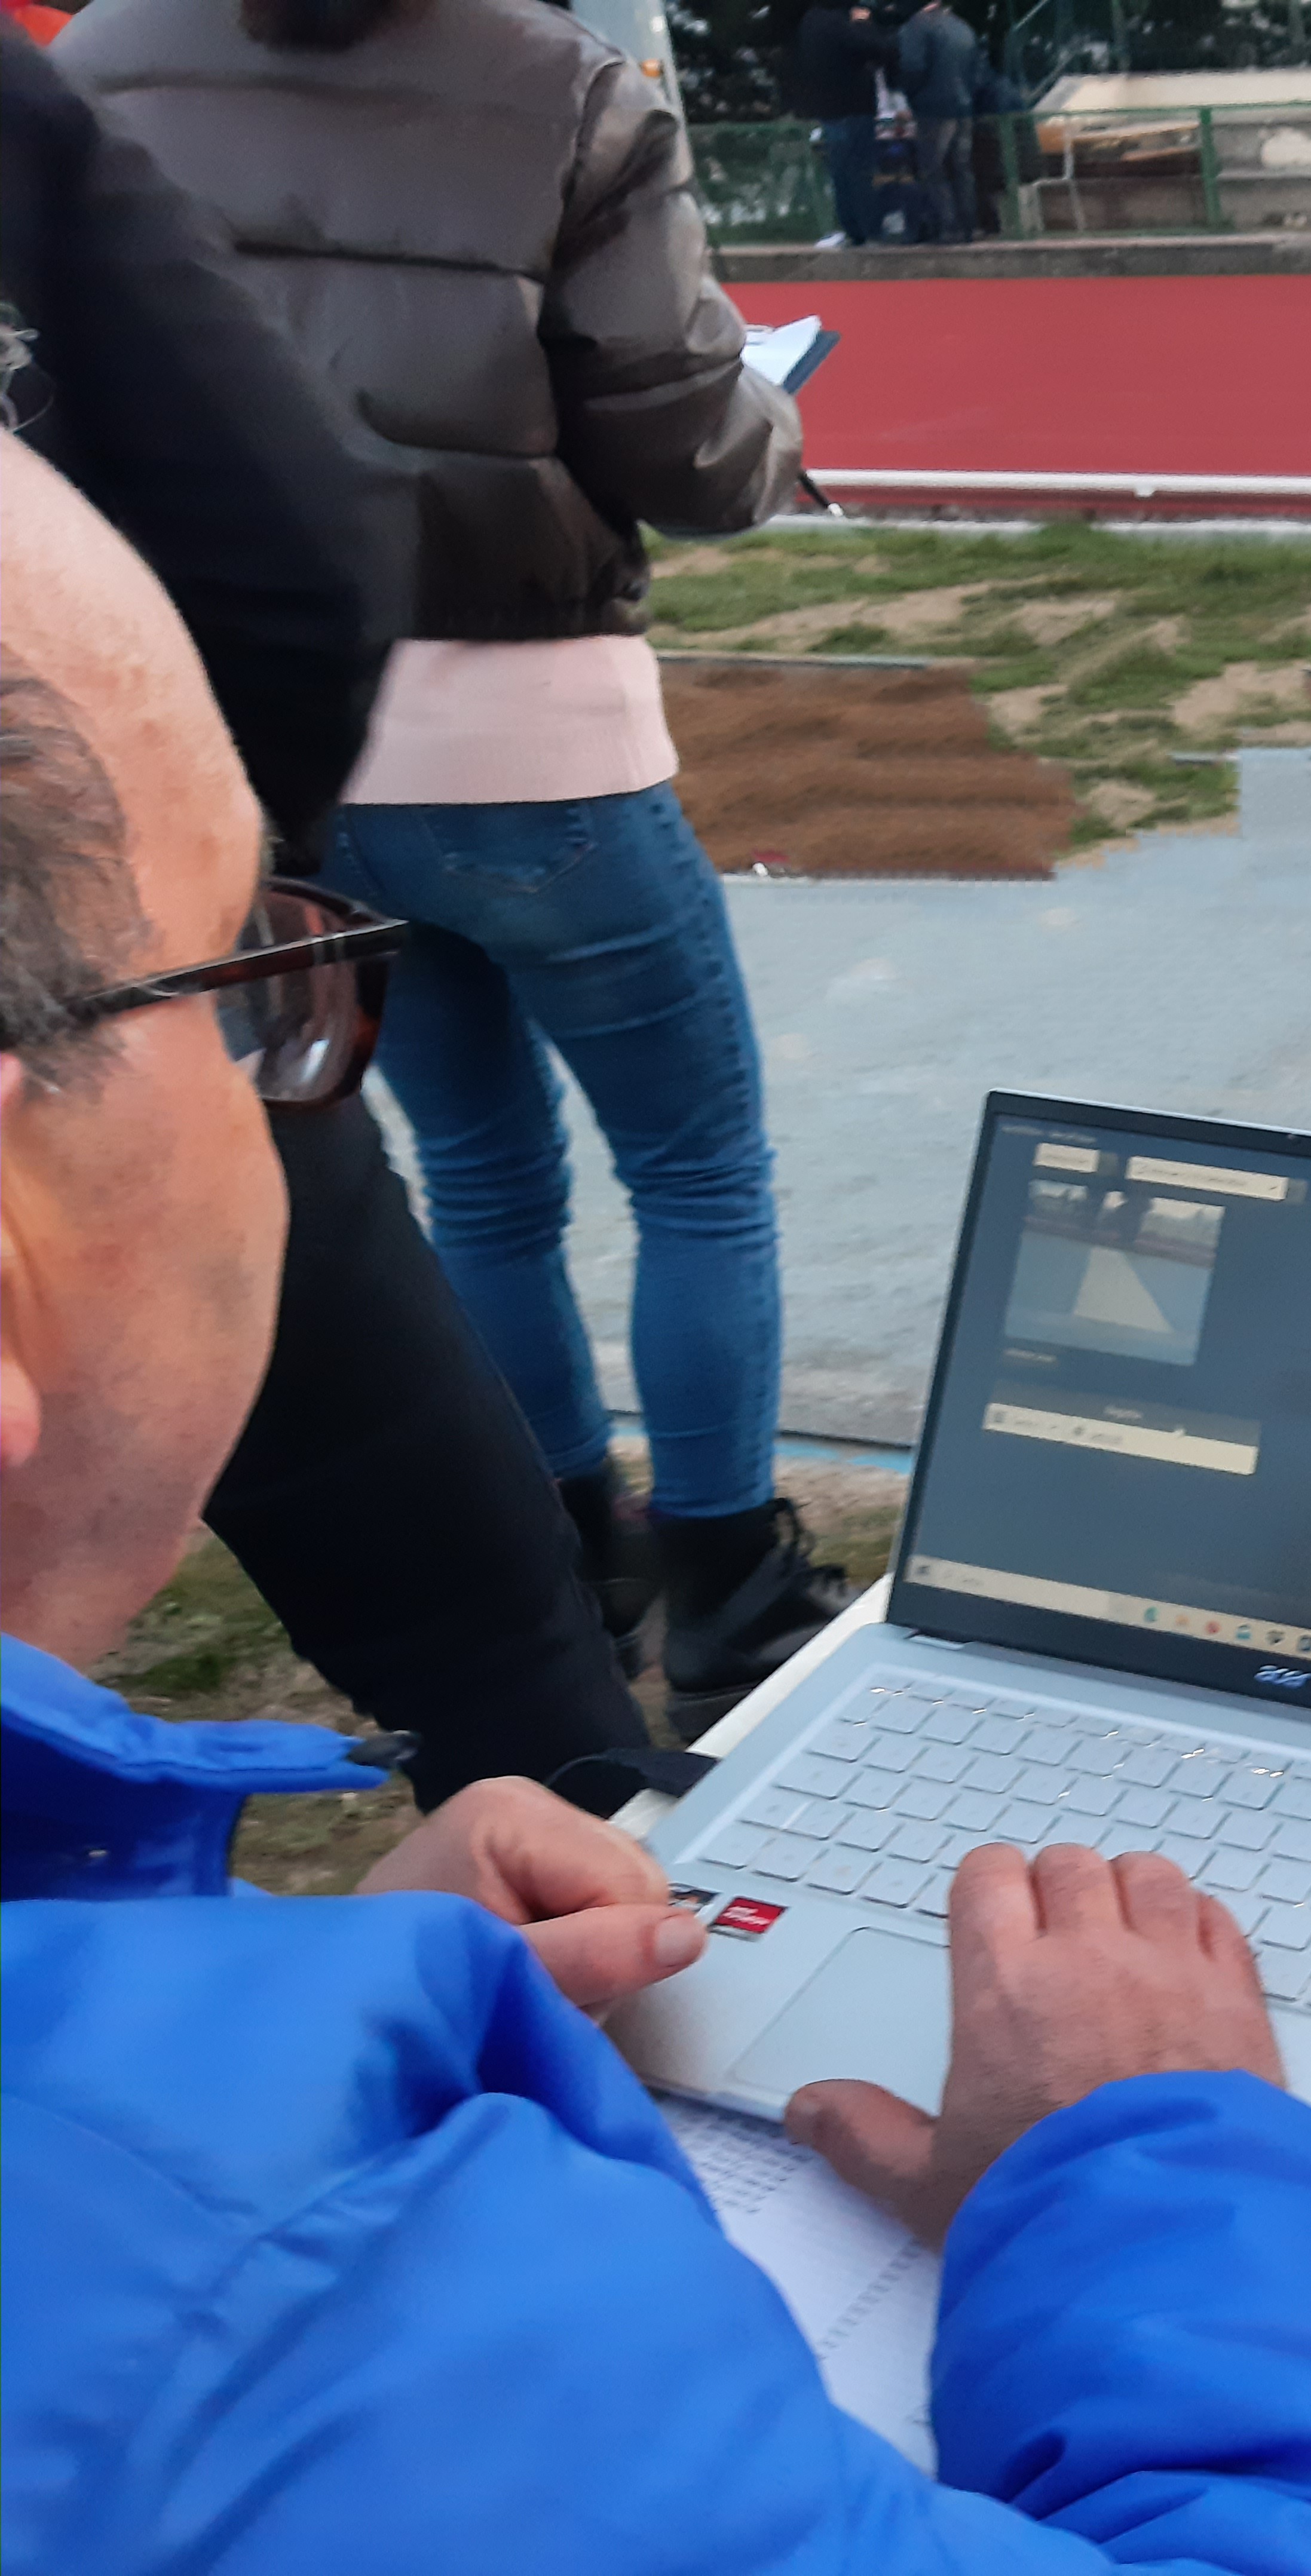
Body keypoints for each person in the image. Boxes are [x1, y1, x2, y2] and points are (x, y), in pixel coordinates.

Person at [0, 437, 1311, 2576]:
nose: (295, 1082)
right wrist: (1160, 2155)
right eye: (250, 988)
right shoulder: (274, 2307)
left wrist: (289, 2026)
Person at [70, 0, 852, 1737]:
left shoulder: (100, 65)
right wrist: (774, 424)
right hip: (536, 737)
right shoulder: (559, 91)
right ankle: (729, 1582)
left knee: (484, 1180)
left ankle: (563, 1558)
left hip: (287, 749)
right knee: (698, 1169)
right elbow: (683, 440)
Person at [3, 22, 653, 1806]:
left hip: (116, 979)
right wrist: (181, 897)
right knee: (499, 1662)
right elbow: (293, 548)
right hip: (110, 991)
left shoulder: (110, 59)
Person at [794, 0, 897, 249]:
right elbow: (875, 48)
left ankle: (852, 229)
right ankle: (871, 230)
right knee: (860, 170)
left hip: (829, 110)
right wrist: (864, 25)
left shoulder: (811, 22)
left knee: (841, 173)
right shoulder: (837, 24)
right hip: (854, 108)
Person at [895, 0, 987, 245]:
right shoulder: (962, 27)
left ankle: (948, 227)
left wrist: (912, 99)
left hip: (932, 108)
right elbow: (977, 71)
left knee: (933, 169)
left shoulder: (917, 27)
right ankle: (969, 225)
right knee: (962, 167)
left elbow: (912, 67)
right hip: (963, 106)